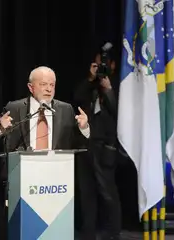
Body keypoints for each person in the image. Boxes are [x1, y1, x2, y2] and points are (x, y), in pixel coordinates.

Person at [74, 53, 121, 240]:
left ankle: (113, 232)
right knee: (86, 192)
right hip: (86, 144)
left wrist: (108, 90)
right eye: (97, 63)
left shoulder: (118, 84)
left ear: (113, 65)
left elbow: (120, 113)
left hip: (105, 146)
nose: (100, 67)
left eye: (104, 64)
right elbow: (76, 99)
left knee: (108, 193)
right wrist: (90, 79)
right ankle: (88, 232)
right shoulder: (90, 85)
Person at [0, 66, 90, 151]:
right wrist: (1, 127)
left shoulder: (65, 109)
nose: (49, 89)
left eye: (52, 85)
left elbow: (77, 144)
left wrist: (83, 128)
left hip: (56, 168)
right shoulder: (14, 108)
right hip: (22, 169)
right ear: (30, 87)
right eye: (43, 84)